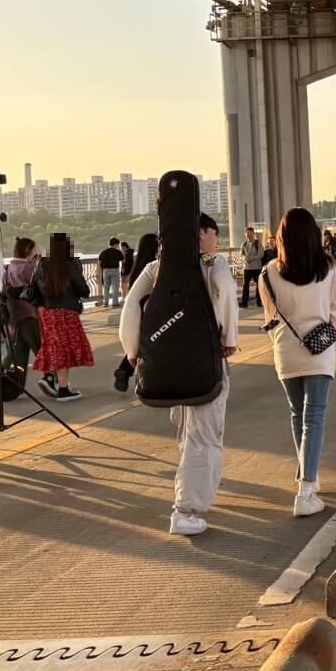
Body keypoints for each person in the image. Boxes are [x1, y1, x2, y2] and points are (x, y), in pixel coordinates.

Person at [121, 212, 239, 536]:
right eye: (214, 234)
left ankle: (201, 486)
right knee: (204, 436)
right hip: (204, 364)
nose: (217, 241)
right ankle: (185, 511)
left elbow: (132, 305)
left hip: (169, 365)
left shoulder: (156, 267)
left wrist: (132, 349)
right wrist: (229, 338)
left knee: (188, 432)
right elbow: (227, 294)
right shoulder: (212, 264)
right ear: (201, 233)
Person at [259, 207, 336, 517]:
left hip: (285, 352)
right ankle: (306, 489)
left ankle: (307, 476)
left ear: (281, 237)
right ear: (313, 235)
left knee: (298, 414)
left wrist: (280, 344)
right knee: (314, 417)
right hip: (320, 352)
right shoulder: (327, 267)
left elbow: (270, 317)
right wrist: (331, 342)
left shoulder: (268, 272)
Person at [29, 233, 92, 400]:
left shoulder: (41, 262)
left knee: (54, 346)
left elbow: (34, 285)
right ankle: (63, 389)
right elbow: (82, 287)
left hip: (46, 311)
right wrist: (82, 292)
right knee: (64, 348)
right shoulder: (70, 262)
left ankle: (50, 377)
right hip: (66, 310)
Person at [114, 232, 159, 392]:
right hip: (150, 314)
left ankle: (124, 370)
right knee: (146, 346)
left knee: (139, 345)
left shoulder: (138, 264)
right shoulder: (154, 266)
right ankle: (136, 375)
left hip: (137, 314)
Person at [1, 237, 43, 378]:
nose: (35, 252)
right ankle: (53, 380)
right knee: (41, 349)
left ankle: (11, 383)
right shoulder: (29, 267)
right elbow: (39, 287)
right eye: (34, 249)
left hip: (13, 316)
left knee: (16, 352)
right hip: (30, 314)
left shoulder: (9, 268)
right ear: (27, 250)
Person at [239, 226, 263, 307]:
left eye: (250, 233)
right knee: (245, 285)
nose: (249, 234)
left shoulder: (257, 243)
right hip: (247, 268)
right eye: (247, 233)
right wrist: (245, 259)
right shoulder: (244, 244)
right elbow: (241, 254)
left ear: (253, 233)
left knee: (258, 285)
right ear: (245, 234)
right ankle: (244, 302)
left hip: (257, 268)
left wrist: (251, 259)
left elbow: (261, 254)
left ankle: (259, 302)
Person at [96, 236, 124, 307]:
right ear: (115, 244)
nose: (118, 246)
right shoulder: (118, 252)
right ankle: (115, 303)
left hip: (105, 270)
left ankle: (106, 302)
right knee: (115, 287)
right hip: (115, 270)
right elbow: (123, 260)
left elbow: (99, 262)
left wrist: (103, 268)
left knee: (106, 287)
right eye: (118, 244)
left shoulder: (103, 252)